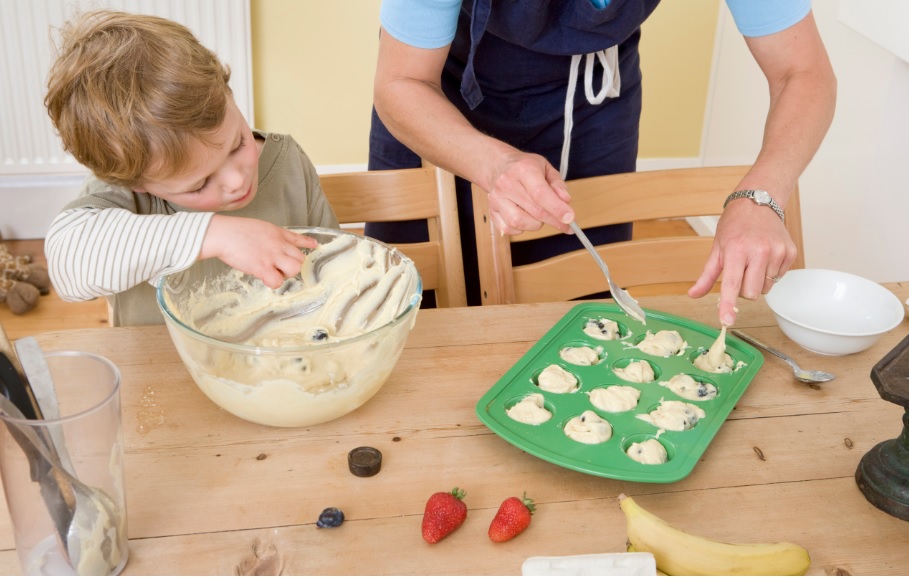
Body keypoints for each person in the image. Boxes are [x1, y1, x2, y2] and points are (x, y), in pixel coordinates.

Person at [369, 0, 836, 325]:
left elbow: (803, 72)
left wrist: (763, 194)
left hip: (594, 103)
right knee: (411, 311)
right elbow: (402, 82)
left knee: (583, 310)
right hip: (437, 106)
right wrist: (493, 164)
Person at [43, 10, 339, 326]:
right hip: (158, 369)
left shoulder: (287, 164)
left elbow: (336, 265)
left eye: (237, 144)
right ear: (138, 183)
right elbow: (67, 265)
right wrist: (215, 234)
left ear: (229, 94)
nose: (236, 179)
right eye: (199, 184)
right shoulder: (123, 195)